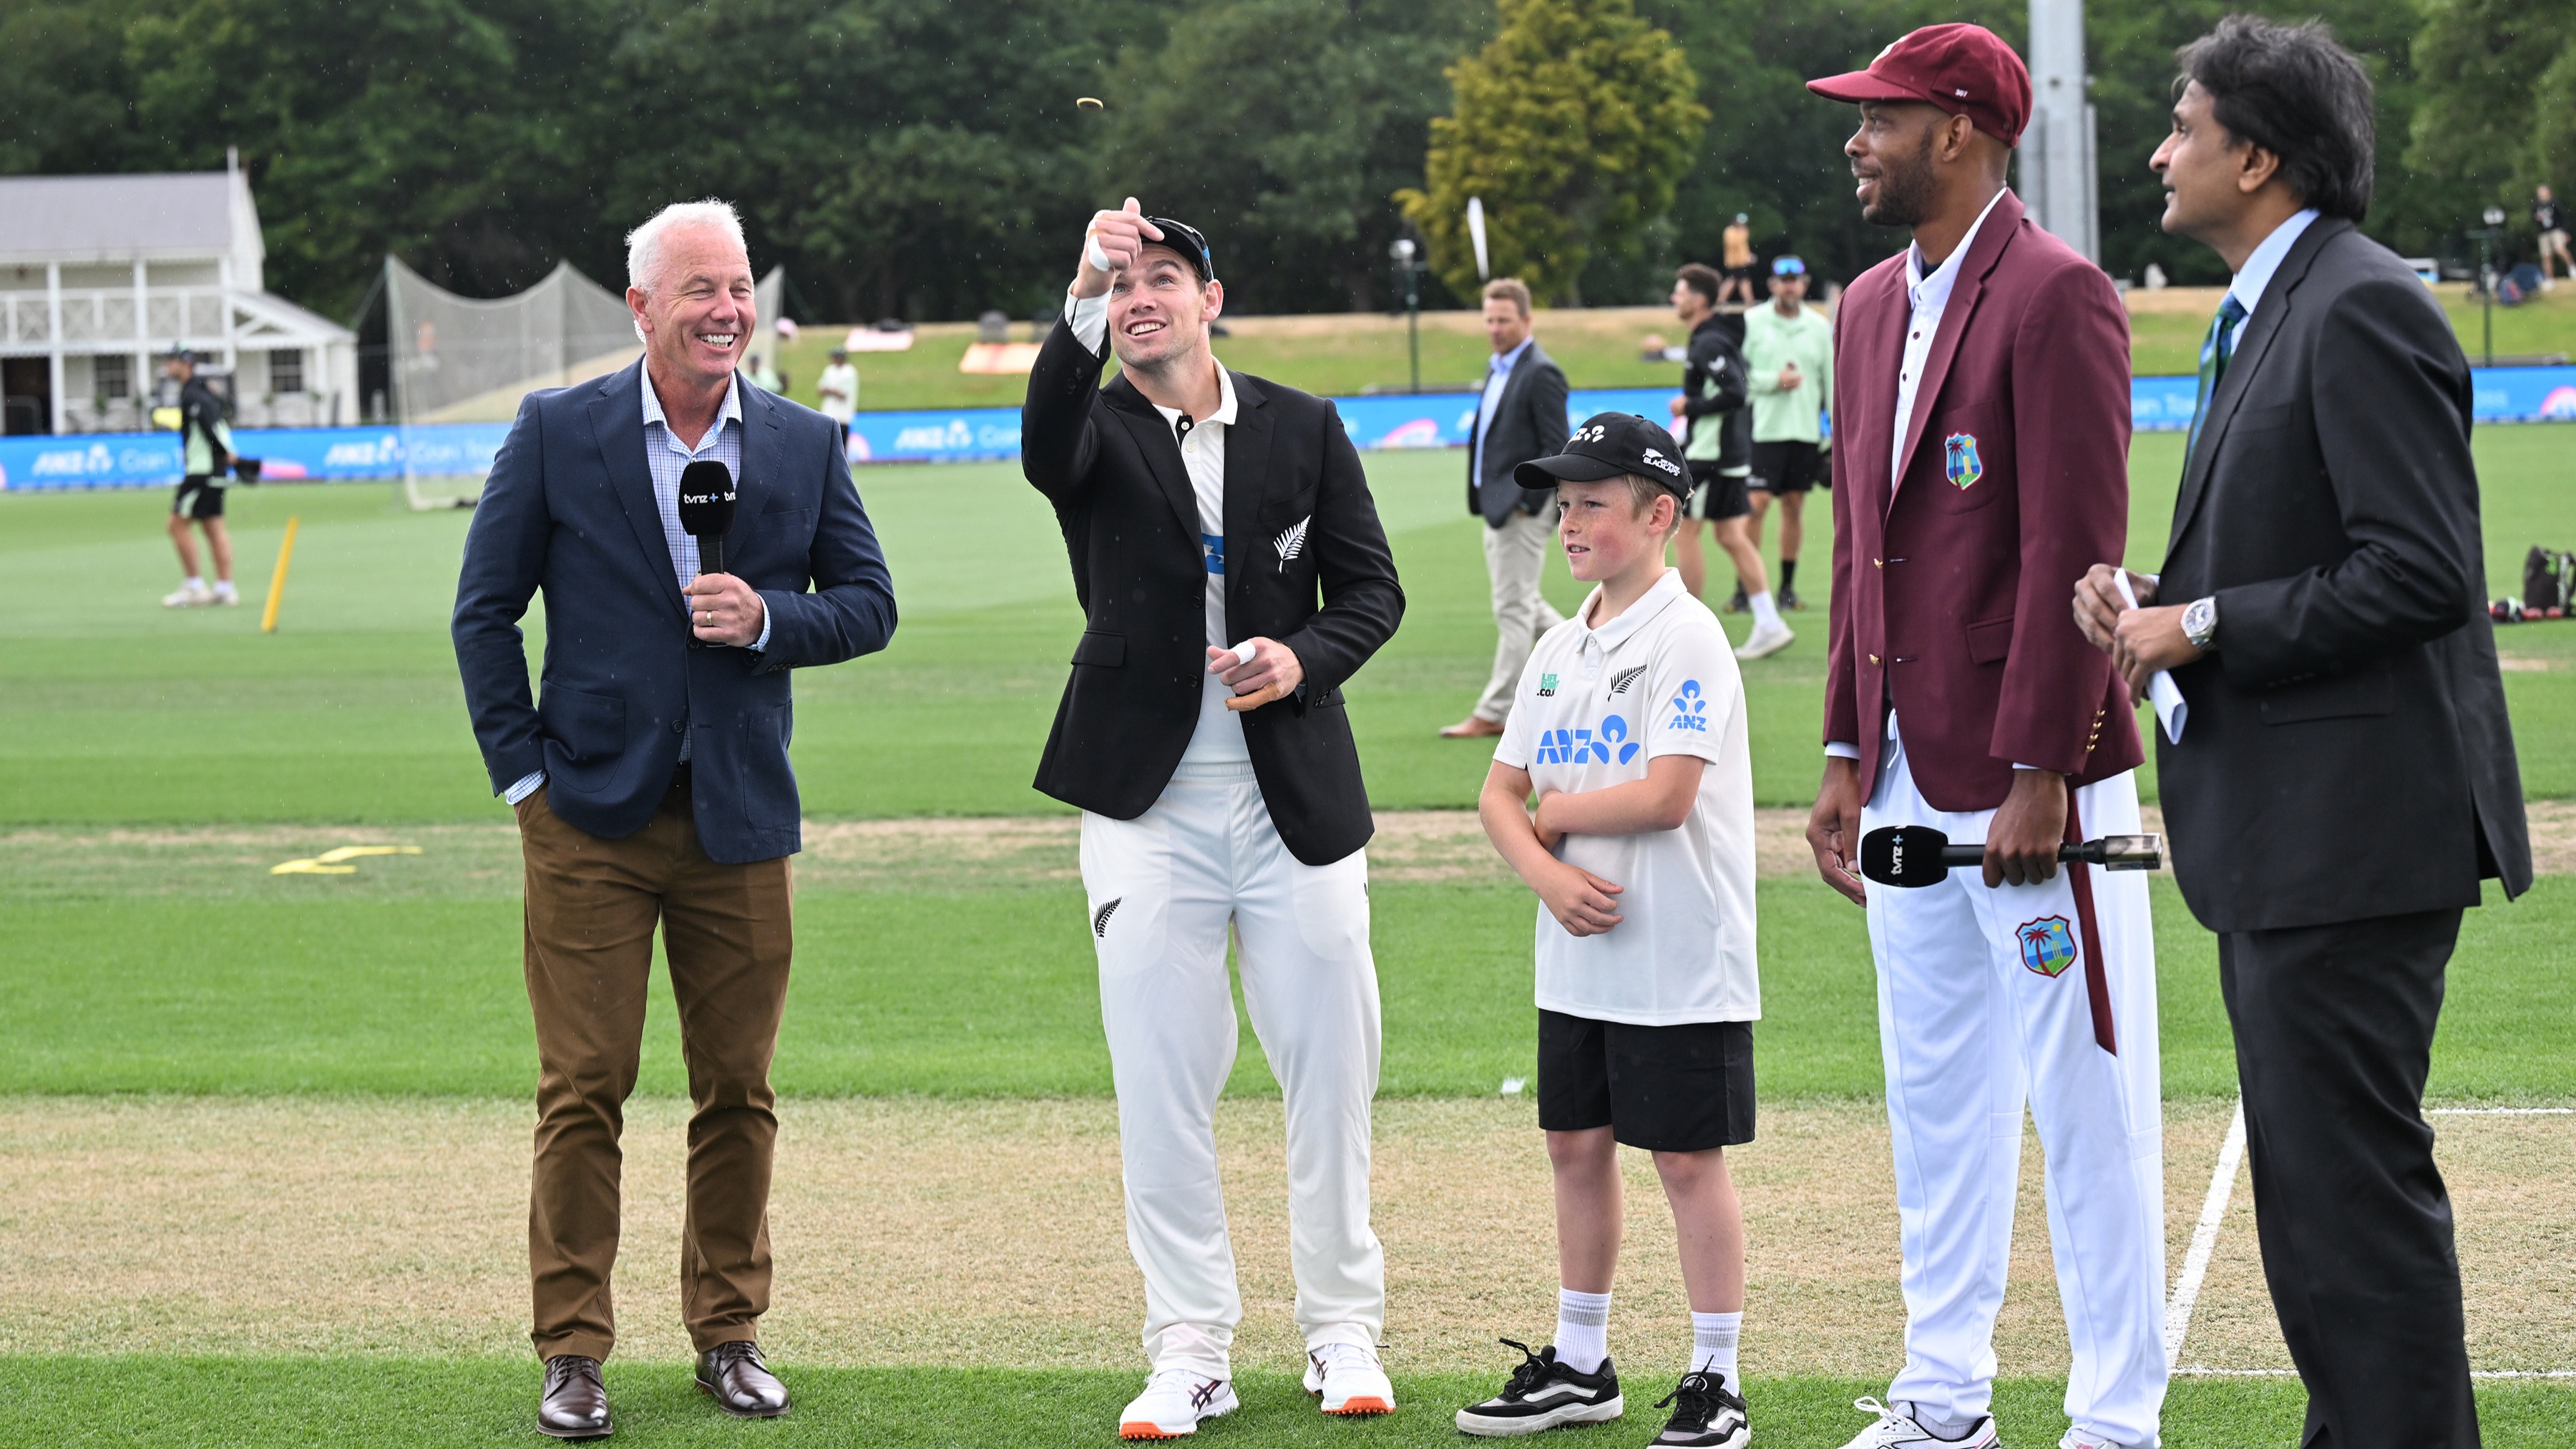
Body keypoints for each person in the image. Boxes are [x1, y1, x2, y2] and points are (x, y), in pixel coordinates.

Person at [2074, 19, 2532, 1448]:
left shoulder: (2358, 303)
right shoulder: (2280, 304)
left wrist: (2199, 627)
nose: (2160, 152)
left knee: (2351, 1215)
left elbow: (2421, 572)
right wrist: (2160, 603)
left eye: (2184, 128)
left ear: (2258, 156)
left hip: (2352, 838)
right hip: (2297, 835)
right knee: (2322, 1215)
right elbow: (2313, 549)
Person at [452, 199, 897, 1440]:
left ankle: (729, 1332)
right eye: (700, 288)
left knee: (738, 1089)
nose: (727, 309)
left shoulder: (804, 443)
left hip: (744, 820)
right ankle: (573, 1351)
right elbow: (484, 614)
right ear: (641, 307)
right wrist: (524, 781)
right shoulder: (557, 431)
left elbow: (868, 603)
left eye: (739, 286)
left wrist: (769, 619)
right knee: (583, 1086)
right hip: (587, 816)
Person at [1802, 26, 2166, 1449]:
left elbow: (2080, 546)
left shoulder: (2060, 294)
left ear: (1956, 131)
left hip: (2036, 779)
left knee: (2089, 1103)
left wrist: (2043, 772)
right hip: (1899, 770)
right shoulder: (1861, 308)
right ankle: (1944, 1396)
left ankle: (2118, 1416)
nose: (1856, 140)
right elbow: (1858, 553)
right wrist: (1842, 752)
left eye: (1878, 118)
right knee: (1935, 1105)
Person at [1021, 198, 1406, 1440]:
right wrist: (1078, 285)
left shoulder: (1302, 423)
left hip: (1291, 796)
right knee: (1161, 1081)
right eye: (1122, 283)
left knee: (1329, 1069)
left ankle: (1342, 1327)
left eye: (1161, 278)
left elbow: (1374, 592)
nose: (1143, 297)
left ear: (1209, 300)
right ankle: (1189, 1344)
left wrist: (1301, 659)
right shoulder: (1091, 426)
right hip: (1147, 807)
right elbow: (1041, 444)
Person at [1460, 413, 1760, 1449]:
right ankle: (1580, 1362)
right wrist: (1545, 872)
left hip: (1678, 953)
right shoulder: (1559, 644)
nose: (1570, 519)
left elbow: (1671, 793)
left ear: (1660, 513)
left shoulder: (1688, 637)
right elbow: (1499, 794)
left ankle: (1716, 1377)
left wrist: (1562, 815)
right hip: (1578, 953)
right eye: (1564, 500)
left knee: (1685, 1158)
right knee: (1575, 1144)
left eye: (1593, 501)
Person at [1443, 276, 1572, 740]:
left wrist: (1530, 501)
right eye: (1489, 319)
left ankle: (1496, 709)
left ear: (1527, 320)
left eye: (1504, 320)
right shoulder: (1500, 367)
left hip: (1520, 509)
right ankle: (1589, 654)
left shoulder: (1541, 372)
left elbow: (1557, 443)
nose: (1495, 328)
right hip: (1498, 505)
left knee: (1514, 610)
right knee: (1524, 604)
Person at [1668, 265, 1792, 660]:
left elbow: (1736, 391)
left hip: (1712, 455)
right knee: (1730, 536)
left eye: (1680, 291)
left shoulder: (1709, 343)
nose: (1675, 298)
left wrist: (1691, 405)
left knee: (1684, 532)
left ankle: (1683, 633)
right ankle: (1770, 624)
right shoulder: (1711, 338)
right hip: (1726, 454)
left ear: (1699, 300)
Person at [1740, 255, 1834, 611]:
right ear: (1773, 286)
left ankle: (1786, 587)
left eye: (1796, 280)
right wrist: (1772, 382)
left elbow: (1829, 382)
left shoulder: (1818, 326)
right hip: (1764, 428)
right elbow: (1738, 375)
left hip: (1804, 431)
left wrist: (1836, 431)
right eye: (1784, 280)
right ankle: (1746, 586)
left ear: (1804, 285)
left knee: (1794, 506)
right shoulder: (1752, 322)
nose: (1790, 286)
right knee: (1756, 505)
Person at [160, 349, 239, 609]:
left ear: (185, 364)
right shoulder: (205, 391)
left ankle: (194, 586)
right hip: (214, 472)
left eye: (171, 361)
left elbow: (208, 428)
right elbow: (220, 423)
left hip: (201, 471)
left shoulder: (193, 395)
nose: (167, 365)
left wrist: (224, 453)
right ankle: (225, 588)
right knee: (214, 528)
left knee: (176, 525)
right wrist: (227, 454)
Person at [816, 346, 858, 445]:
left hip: (843, 414)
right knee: (828, 443)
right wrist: (833, 391)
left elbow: (844, 395)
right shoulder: (829, 370)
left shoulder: (850, 372)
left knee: (842, 444)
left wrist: (830, 390)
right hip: (829, 412)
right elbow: (820, 390)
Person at [1718, 213, 1758, 307]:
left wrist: (1748, 256)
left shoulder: (1742, 232)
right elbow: (1734, 245)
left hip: (1742, 262)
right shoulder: (1730, 232)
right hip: (1734, 262)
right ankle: (1749, 301)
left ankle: (1749, 300)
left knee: (1737, 281)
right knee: (1738, 281)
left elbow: (1743, 248)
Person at [2536, 183, 2570, 286]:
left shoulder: (2555, 203)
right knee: (2546, 256)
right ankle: (2550, 278)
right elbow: (2534, 219)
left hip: (2556, 230)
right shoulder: (2536, 206)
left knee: (2560, 249)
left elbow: (2563, 218)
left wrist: (2567, 232)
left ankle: (2572, 268)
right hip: (2543, 233)